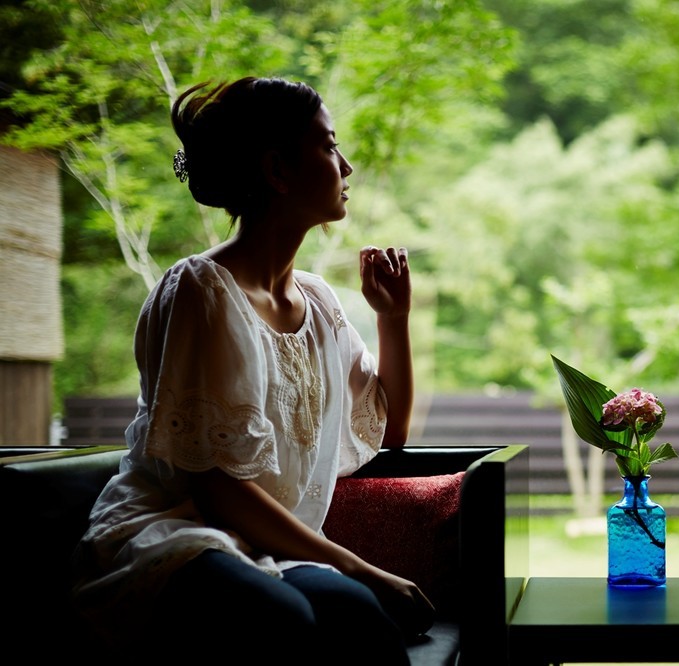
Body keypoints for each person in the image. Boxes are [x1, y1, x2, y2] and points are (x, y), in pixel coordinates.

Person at [72, 77, 432, 662]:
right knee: (280, 616)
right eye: (327, 146)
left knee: (361, 621)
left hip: (269, 551)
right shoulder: (199, 291)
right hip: (175, 537)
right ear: (276, 171)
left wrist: (395, 319)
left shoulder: (319, 303)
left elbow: (389, 431)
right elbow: (215, 485)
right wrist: (357, 564)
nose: (347, 165)